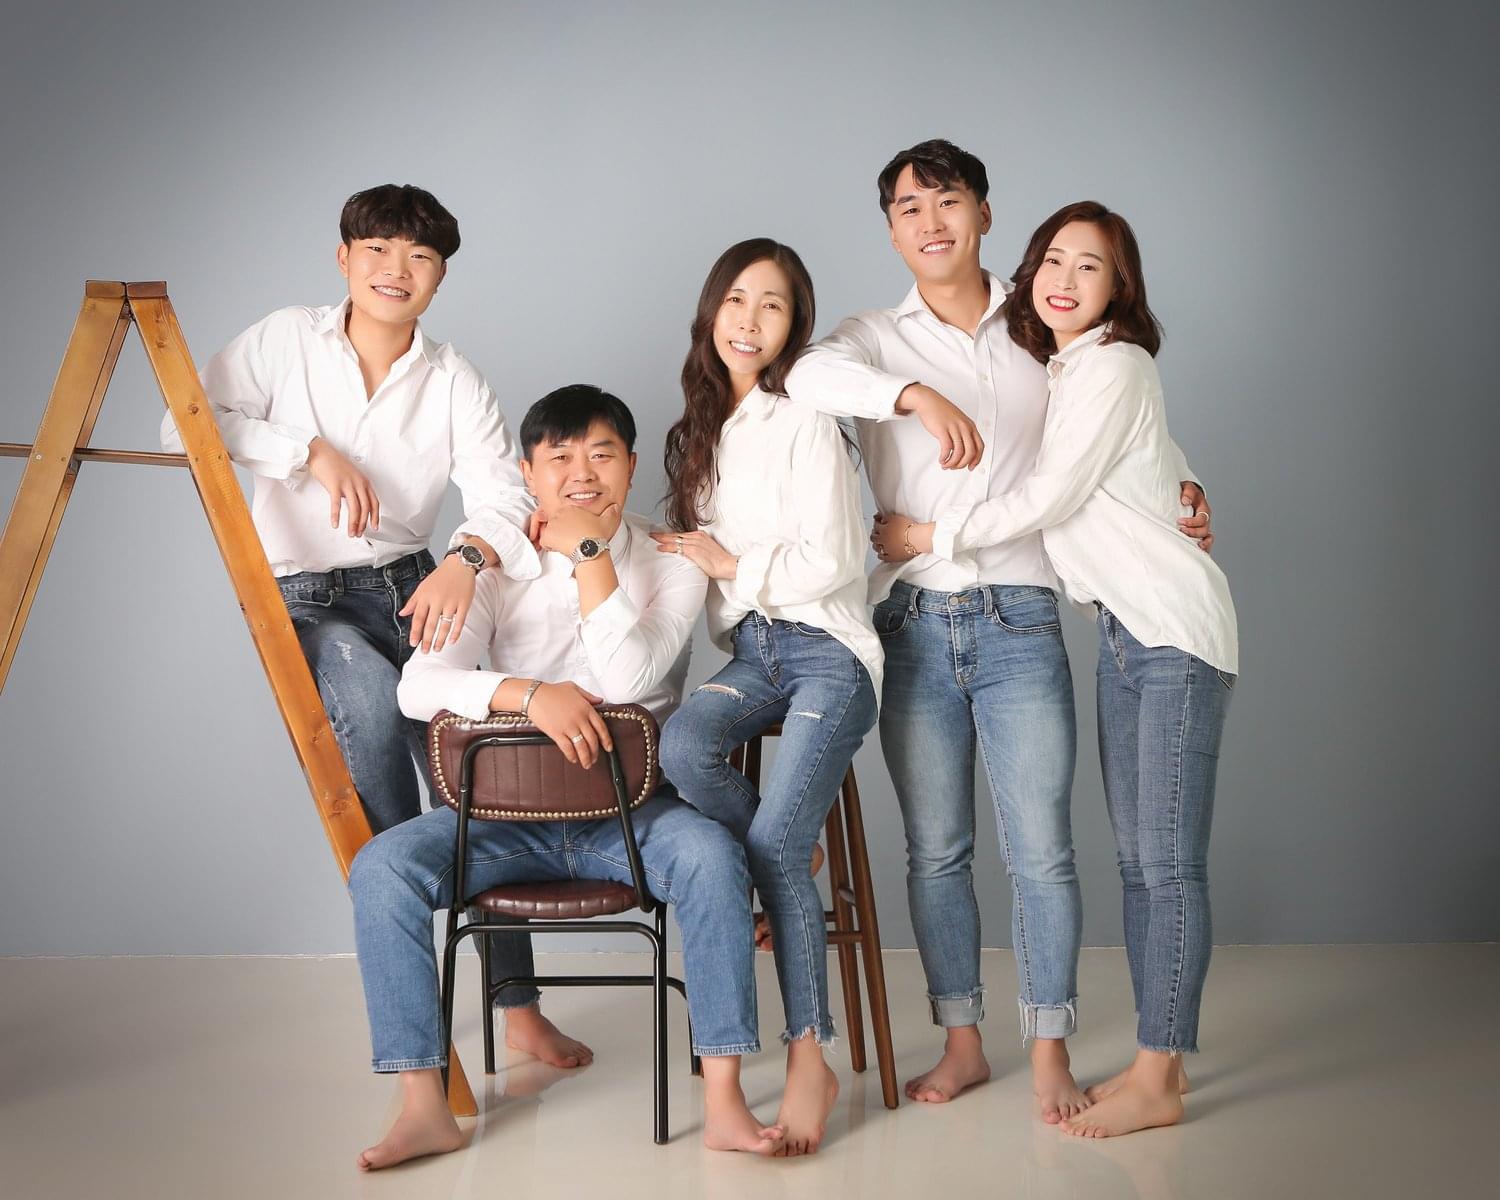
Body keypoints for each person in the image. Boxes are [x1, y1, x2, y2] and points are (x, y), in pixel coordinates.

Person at [785, 140, 1214, 1120]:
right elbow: (805, 379)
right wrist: (912, 394)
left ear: (983, 212)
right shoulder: (868, 337)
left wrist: (1187, 480)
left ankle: (1049, 1050)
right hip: (913, 620)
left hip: (1020, 615)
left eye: (948, 202)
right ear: (891, 230)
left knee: (1042, 852)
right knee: (936, 850)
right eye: (908, 209)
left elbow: (1122, 410)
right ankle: (963, 1042)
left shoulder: (1044, 318)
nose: (930, 223)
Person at [160, 184, 582, 1070]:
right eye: (379, 249)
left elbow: (503, 498)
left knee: (476, 777)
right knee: (369, 716)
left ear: (439, 277)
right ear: (344, 257)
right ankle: (412, 988)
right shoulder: (285, 339)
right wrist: (309, 452)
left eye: (420, 257)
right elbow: (180, 424)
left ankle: (517, 1007)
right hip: (309, 600)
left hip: (417, 584)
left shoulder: (454, 377)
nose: (398, 269)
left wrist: (465, 560)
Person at [351, 384, 783, 1169]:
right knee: (381, 869)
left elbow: (626, 681)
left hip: (634, 817)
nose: (582, 473)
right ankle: (423, 1106)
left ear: (631, 465)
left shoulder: (674, 557)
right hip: (501, 822)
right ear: (528, 473)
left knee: (713, 858)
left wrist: (588, 555)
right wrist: (528, 694)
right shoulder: (494, 564)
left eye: (601, 454)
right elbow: (418, 687)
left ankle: (724, 1098)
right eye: (560, 458)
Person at [875, 202, 1237, 1138]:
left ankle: (1160, 1074)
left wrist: (926, 536)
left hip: (1171, 629)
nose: (1066, 280)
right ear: (1031, 270)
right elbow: (1155, 453)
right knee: (1139, 863)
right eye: (1054, 262)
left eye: (1092, 267)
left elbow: (1051, 492)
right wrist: (1191, 485)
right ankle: (1158, 1065)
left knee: (1165, 864)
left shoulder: (1112, 363)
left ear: (1121, 288)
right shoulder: (1075, 368)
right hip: (1125, 631)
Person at [653, 239, 881, 1156]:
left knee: (777, 843)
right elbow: (696, 564)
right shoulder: (702, 435)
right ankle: (781, 843)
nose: (749, 321)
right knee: (682, 747)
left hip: (829, 652)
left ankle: (808, 1056)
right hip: (755, 650)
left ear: (795, 326)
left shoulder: (807, 419)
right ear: (712, 311)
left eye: (773, 305)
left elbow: (837, 559)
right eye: (737, 300)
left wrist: (728, 563)